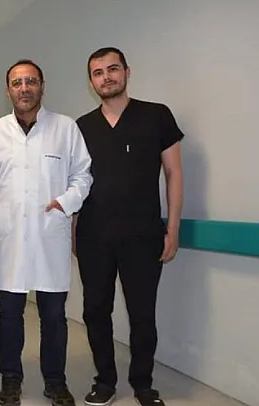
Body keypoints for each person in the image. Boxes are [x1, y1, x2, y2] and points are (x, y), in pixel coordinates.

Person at [74, 47, 184, 406]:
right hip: (94, 236)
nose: (106, 77)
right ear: (91, 82)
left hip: (143, 235)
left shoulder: (156, 116)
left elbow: (174, 173)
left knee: (142, 314)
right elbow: (76, 182)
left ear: (126, 72)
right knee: (95, 312)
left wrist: (173, 228)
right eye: (98, 73)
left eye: (112, 69)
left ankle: (143, 384)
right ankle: (105, 381)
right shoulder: (82, 127)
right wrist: (74, 232)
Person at [0, 60, 93, 406]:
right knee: (9, 315)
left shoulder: (65, 128)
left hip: (50, 236)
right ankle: (10, 379)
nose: (24, 88)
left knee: (54, 317)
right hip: (10, 240)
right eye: (17, 82)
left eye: (31, 81)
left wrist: (65, 202)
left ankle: (55, 382)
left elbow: (83, 175)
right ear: (8, 91)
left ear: (42, 86)